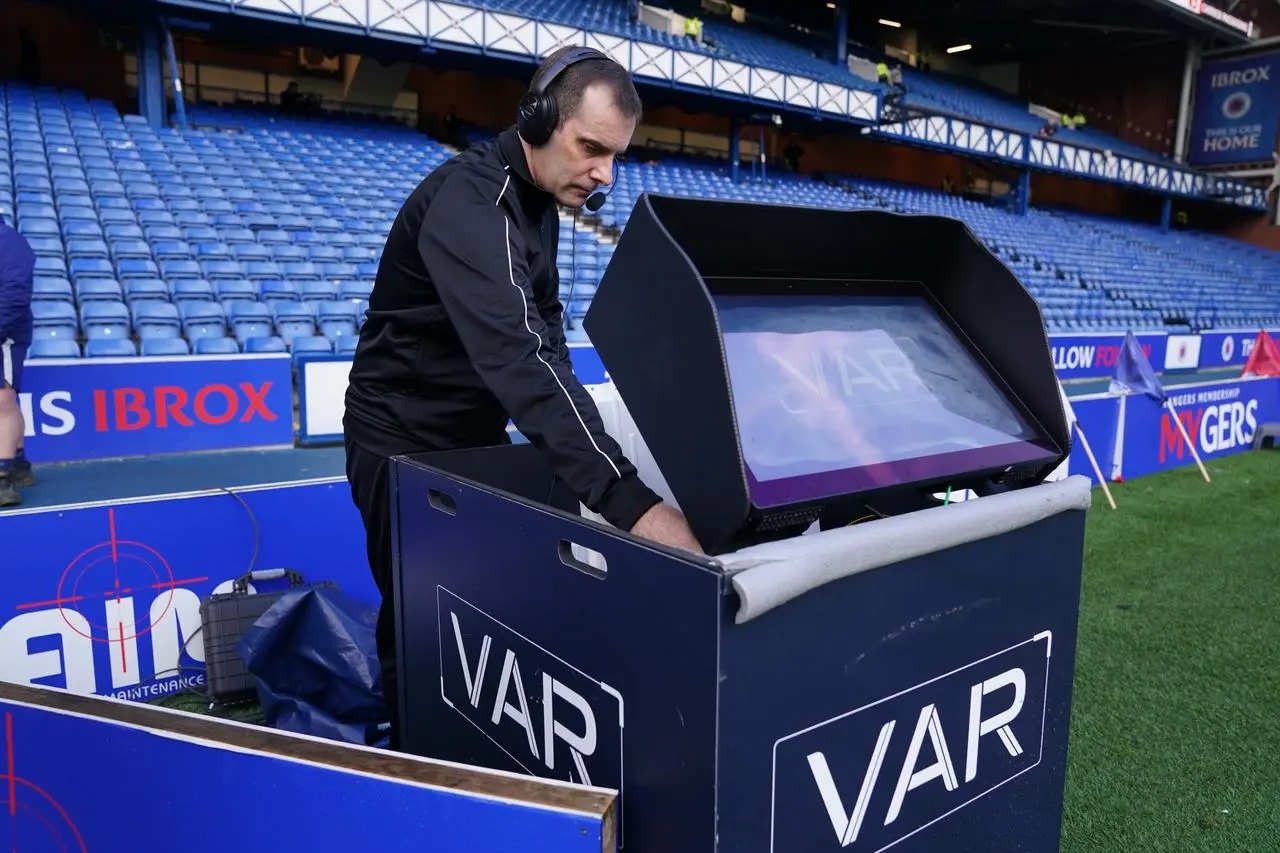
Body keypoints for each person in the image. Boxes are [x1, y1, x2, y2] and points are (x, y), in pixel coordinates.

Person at [343, 45, 702, 749]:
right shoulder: (468, 204)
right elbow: (521, 358)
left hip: (473, 433)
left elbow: (550, 336)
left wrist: (589, 456)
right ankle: (414, 760)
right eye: (592, 148)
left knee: (491, 605)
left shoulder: (537, 201)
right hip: (398, 439)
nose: (605, 174)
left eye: (616, 155)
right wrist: (630, 501)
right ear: (538, 119)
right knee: (418, 612)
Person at [0, 214, 36, 507]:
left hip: (5, 334)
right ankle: (20, 465)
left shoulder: (10, 242)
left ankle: (3, 478)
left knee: (2, 401)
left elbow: (14, 295)